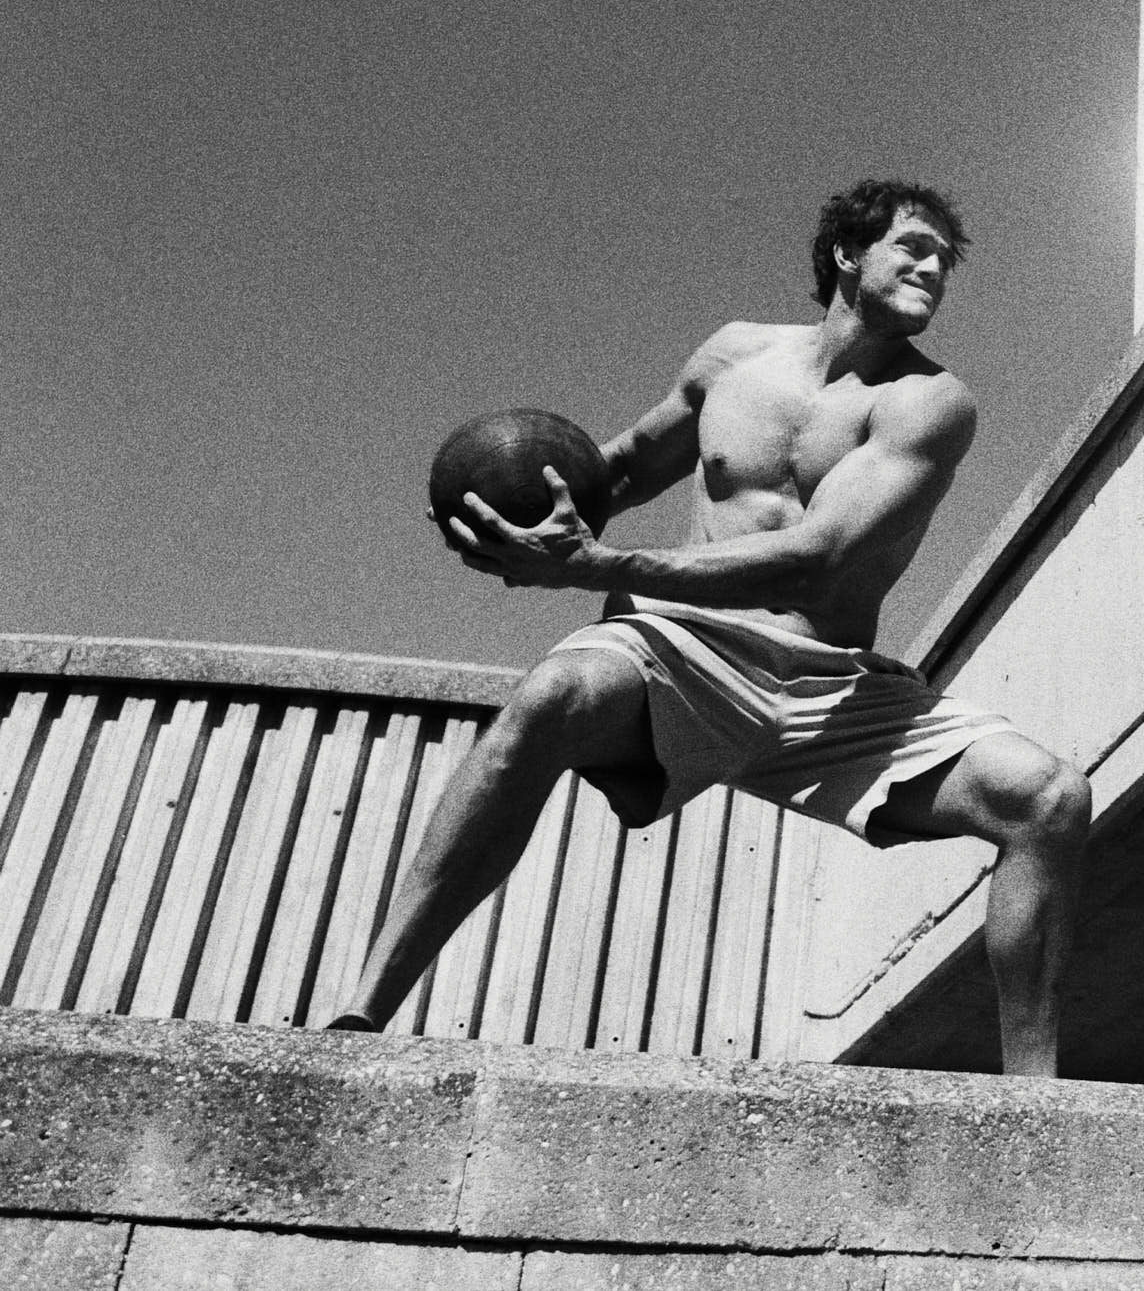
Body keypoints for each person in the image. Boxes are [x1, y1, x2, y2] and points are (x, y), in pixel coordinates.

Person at [331, 180, 1089, 1076]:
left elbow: (820, 553)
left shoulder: (930, 402)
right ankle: (359, 1016)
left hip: (832, 686)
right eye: (912, 247)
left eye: (943, 260)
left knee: (1048, 799)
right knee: (550, 699)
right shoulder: (733, 358)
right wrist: (506, 521)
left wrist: (604, 568)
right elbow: (610, 473)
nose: (933, 268)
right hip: (684, 652)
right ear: (848, 254)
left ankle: (1037, 1102)